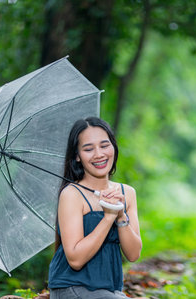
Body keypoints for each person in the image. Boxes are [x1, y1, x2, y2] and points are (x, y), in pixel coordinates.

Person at [48, 117, 142, 299]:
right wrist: (108, 218)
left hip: (110, 291)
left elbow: (133, 254)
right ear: (77, 156)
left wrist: (121, 216)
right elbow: (75, 260)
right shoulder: (71, 194)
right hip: (72, 288)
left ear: (113, 148)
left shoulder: (127, 193)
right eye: (88, 149)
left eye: (104, 145)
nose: (99, 154)